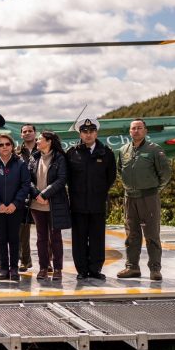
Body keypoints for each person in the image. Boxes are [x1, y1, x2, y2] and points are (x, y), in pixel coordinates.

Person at [117, 118, 172, 281]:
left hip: (148, 197)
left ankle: (155, 269)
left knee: (152, 234)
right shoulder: (123, 150)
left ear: (145, 131)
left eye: (139, 128)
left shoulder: (155, 149)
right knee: (131, 234)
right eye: (133, 128)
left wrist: (155, 189)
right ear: (129, 132)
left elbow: (165, 173)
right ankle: (132, 267)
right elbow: (120, 171)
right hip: (130, 198)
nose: (136, 131)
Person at [66, 118, 117, 280]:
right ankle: (81, 270)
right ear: (80, 134)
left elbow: (111, 177)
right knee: (79, 238)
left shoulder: (106, 153)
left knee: (97, 237)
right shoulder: (72, 153)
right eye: (85, 132)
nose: (88, 135)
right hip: (78, 204)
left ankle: (95, 269)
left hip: (97, 203)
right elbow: (67, 177)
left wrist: (99, 192)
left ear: (96, 133)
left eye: (91, 131)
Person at [0, 133, 31, 280]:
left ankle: (14, 268)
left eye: (7, 144)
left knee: (14, 238)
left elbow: (25, 185)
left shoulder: (21, 163)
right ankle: (4, 268)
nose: (4, 147)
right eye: (1, 145)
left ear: (12, 146)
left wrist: (15, 204)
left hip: (15, 208)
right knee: (1, 238)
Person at [28, 131, 72, 281]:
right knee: (41, 238)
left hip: (54, 204)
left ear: (49, 141)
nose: (37, 141)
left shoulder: (60, 158)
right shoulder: (34, 157)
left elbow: (61, 179)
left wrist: (45, 195)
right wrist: (36, 195)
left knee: (55, 238)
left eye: (40, 139)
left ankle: (58, 269)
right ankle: (43, 267)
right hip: (36, 204)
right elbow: (27, 180)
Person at [16, 124, 38, 272]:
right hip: (23, 196)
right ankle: (25, 260)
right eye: (25, 131)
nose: (28, 133)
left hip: (42, 195)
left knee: (46, 232)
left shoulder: (44, 149)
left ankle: (47, 262)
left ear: (35, 134)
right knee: (22, 231)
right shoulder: (16, 153)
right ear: (21, 135)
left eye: (30, 131)